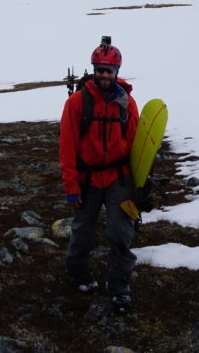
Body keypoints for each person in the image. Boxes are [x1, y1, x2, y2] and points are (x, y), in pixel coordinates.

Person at [59, 37, 140, 312]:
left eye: (109, 70)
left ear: (117, 72)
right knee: (82, 232)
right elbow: (67, 147)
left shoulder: (127, 104)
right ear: (94, 70)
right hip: (87, 179)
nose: (104, 74)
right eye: (100, 69)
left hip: (118, 178)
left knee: (120, 233)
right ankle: (79, 276)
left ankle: (119, 288)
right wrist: (71, 186)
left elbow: (136, 146)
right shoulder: (76, 103)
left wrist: (139, 185)